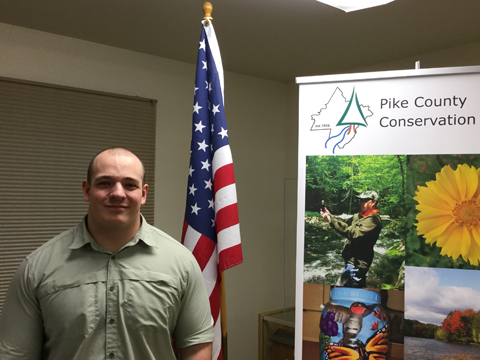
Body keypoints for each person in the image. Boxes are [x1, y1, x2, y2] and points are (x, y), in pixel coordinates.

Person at [0, 147, 214, 360]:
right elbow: (15, 354)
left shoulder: (182, 264)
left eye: (130, 185)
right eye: (105, 183)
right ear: (87, 190)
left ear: (143, 194)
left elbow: (196, 348)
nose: (118, 193)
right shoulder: (36, 269)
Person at [320, 191, 382, 288]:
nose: (360, 202)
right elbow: (344, 222)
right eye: (360, 200)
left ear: (373, 202)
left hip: (357, 265)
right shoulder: (359, 215)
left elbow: (352, 233)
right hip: (351, 262)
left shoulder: (373, 220)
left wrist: (331, 221)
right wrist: (330, 216)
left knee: (345, 290)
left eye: (364, 200)